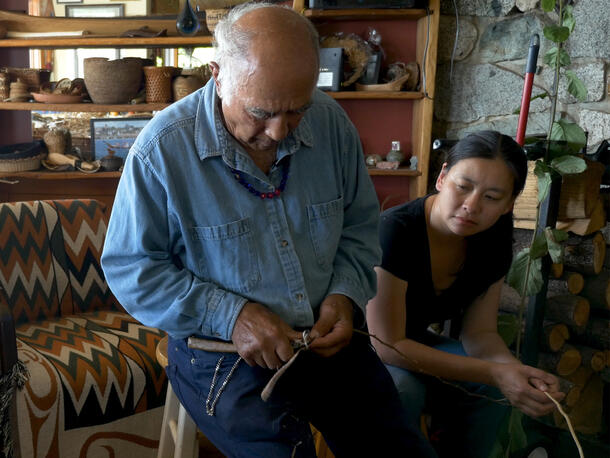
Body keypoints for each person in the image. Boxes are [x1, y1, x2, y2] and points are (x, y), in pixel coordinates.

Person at [101, 3, 429, 457]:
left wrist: (344, 293)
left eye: (296, 111)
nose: (278, 132)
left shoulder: (331, 124)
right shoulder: (161, 150)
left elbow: (359, 225)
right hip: (221, 351)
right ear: (216, 74)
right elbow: (133, 270)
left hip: (327, 337)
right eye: (261, 112)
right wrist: (230, 315)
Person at [366, 130, 566, 458]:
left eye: (491, 197)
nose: (471, 206)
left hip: (410, 341)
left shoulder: (493, 240)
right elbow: (388, 345)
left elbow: (481, 334)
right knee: (402, 389)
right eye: (464, 186)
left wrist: (515, 373)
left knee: (499, 387)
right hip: (360, 344)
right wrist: (494, 372)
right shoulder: (395, 231)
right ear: (443, 178)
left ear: (508, 205)